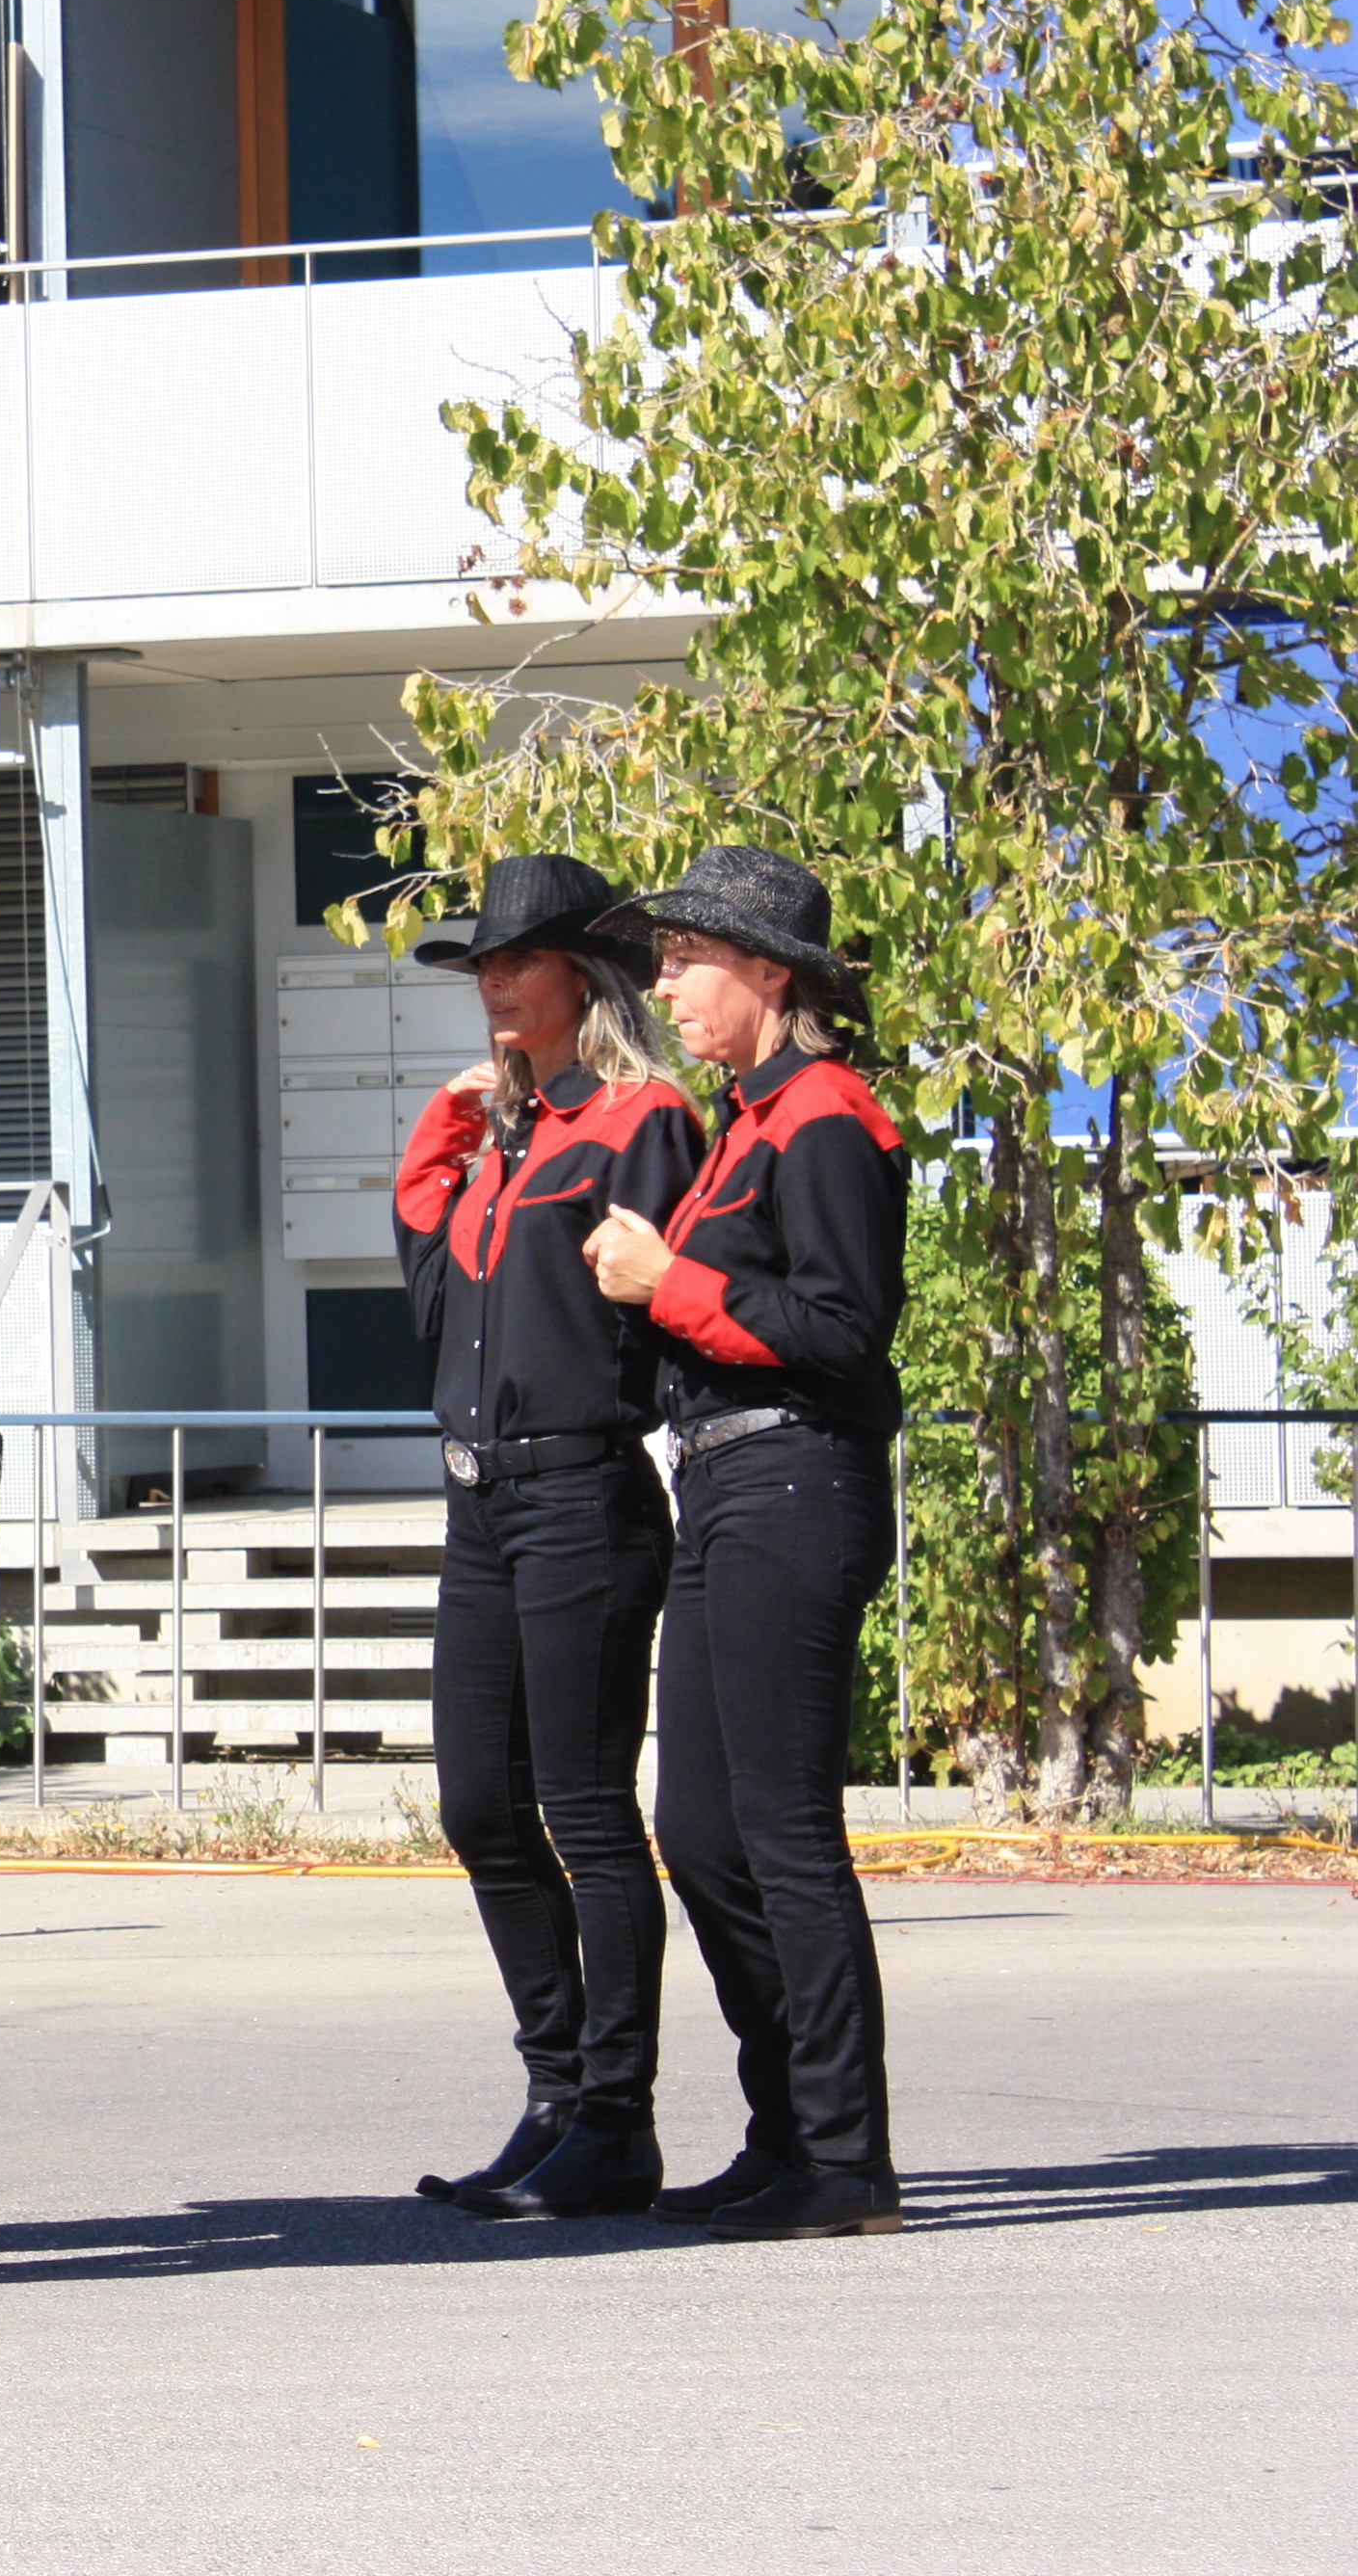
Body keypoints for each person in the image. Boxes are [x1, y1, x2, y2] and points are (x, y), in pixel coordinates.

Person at [583, 846, 910, 2240]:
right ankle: (786, 2132)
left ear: (769, 973)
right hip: (723, 1481)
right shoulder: (746, 1119)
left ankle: (842, 2157)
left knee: (781, 1829)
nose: (664, 985)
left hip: (795, 1479)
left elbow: (843, 1328)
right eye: (661, 959)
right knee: (704, 1830)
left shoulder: (827, 1114)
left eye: (685, 959)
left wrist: (672, 1282)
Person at [392, 855, 706, 2220]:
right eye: (483, 965)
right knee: (478, 1804)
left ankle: (615, 2120)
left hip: (583, 1492)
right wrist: (443, 1135)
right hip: (481, 1502)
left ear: (584, 975)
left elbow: (668, 1306)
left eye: (517, 960)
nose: (494, 984)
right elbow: (432, 1294)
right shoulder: (504, 1133)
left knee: (584, 1808)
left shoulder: (642, 1120)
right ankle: (555, 2093)